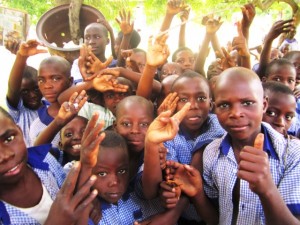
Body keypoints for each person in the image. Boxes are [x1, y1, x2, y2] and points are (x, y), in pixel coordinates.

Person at [169, 67, 300, 225]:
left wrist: (267, 190)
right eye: (224, 105)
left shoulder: (292, 154)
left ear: (264, 105)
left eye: (247, 103)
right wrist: (198, 194)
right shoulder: (212, 152)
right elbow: (217, 220)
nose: (236, 113)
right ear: (214, 108)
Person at [0, 106, 98, 225]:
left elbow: (77, 208)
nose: (5, 156)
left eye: (9, 138)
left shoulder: (46, 161)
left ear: (20, 132)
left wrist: (86, 166)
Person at [6, 40, 47, 146]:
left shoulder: (50, 107)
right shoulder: (19, 111)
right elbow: (13, 89)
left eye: (36, 89)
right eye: (25, 91)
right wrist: (21, 57)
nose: (32, 95)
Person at [29, 55, 73, 147]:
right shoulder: (37, 126)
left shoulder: (86, 111)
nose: (47, 86)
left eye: (55, 79)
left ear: (70, 81)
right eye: (41, 80)